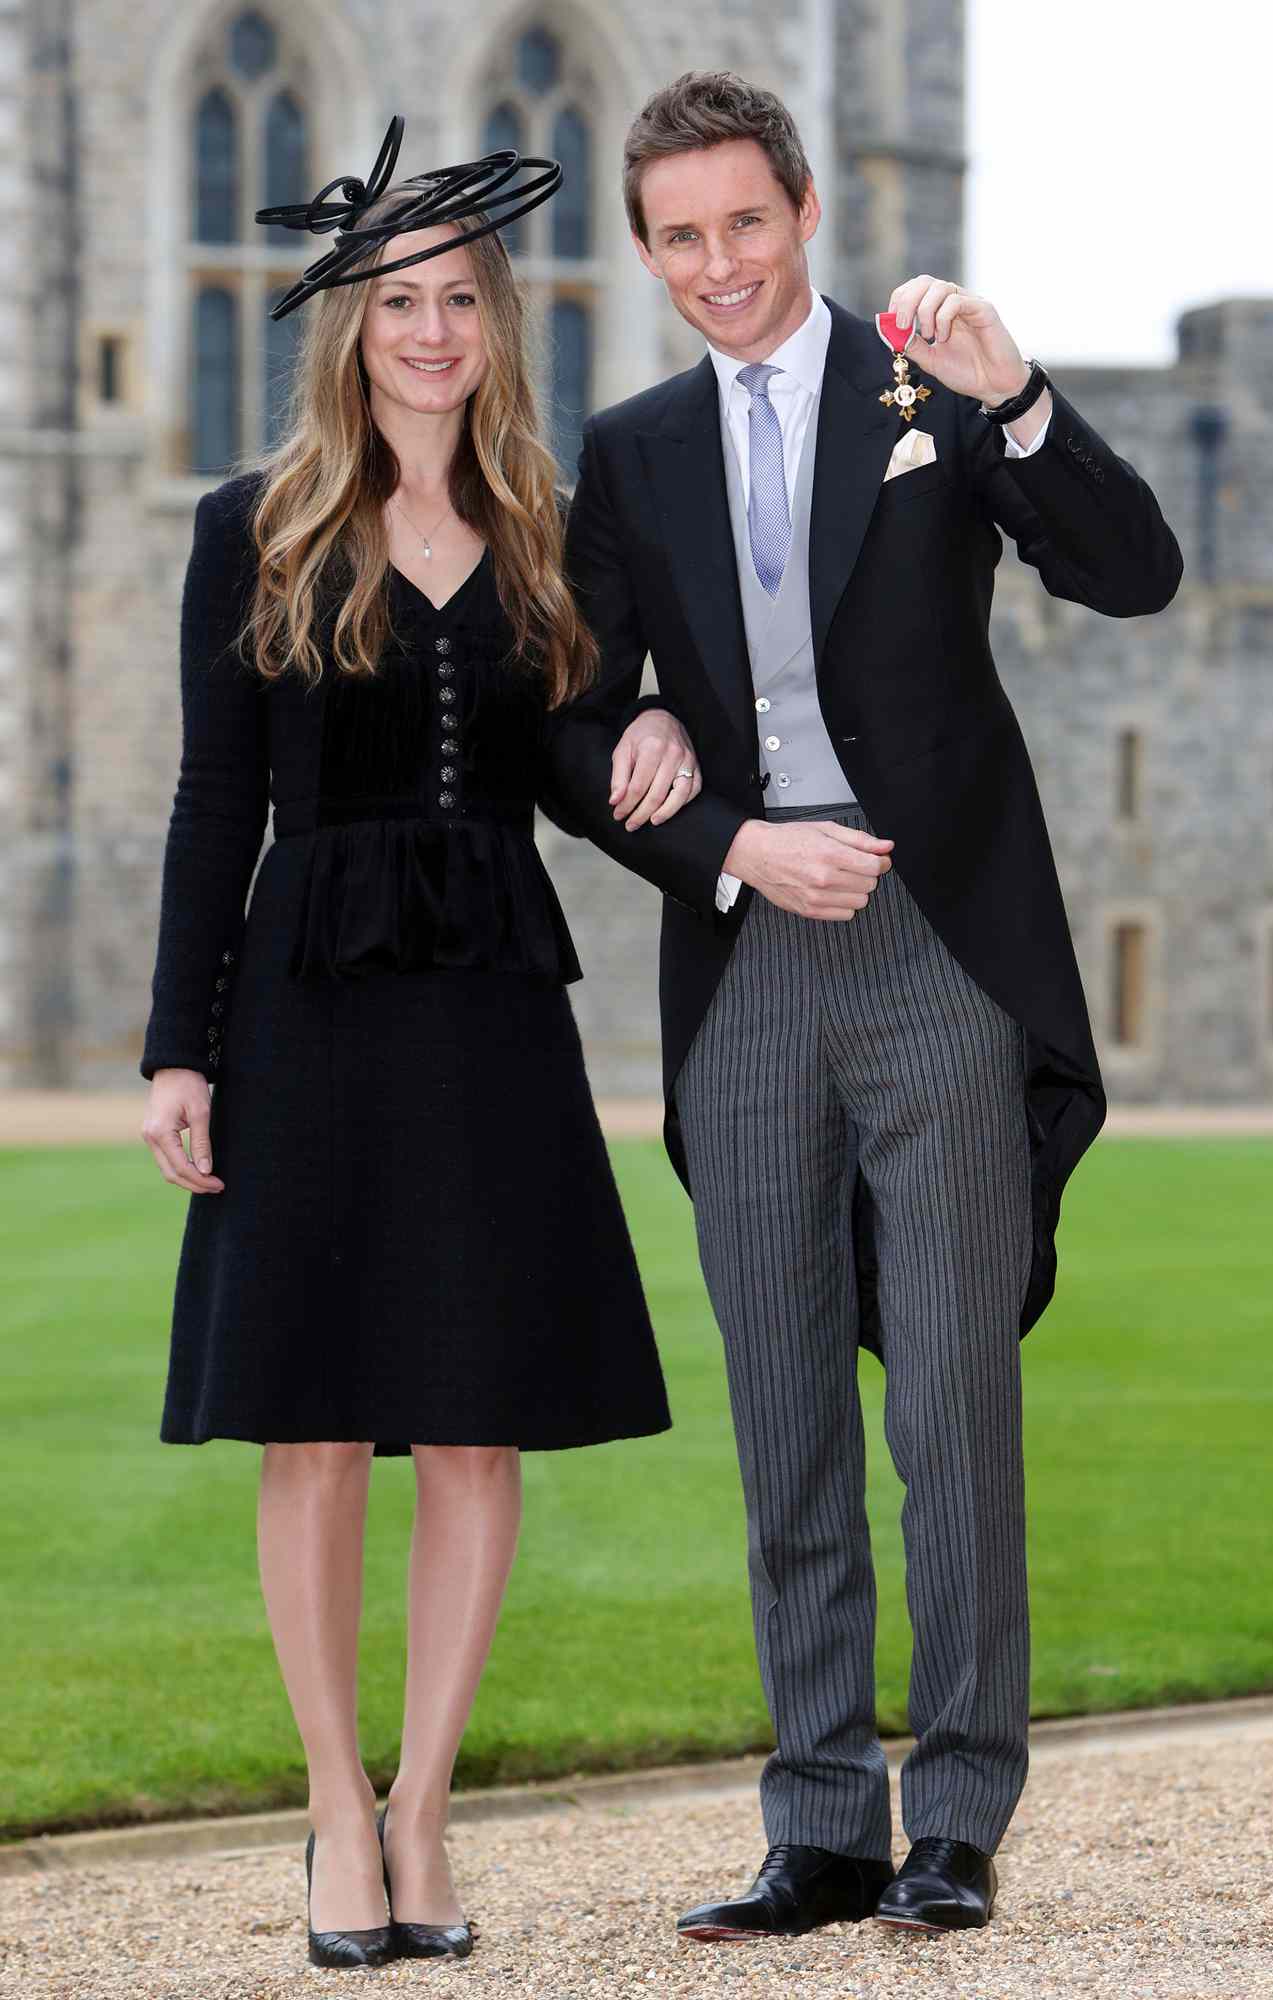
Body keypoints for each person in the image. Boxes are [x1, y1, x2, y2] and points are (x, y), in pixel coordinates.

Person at [543, 72, 1183, 1940]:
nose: (718, 264)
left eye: (747, 222)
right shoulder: (634, 446)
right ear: (650, 251)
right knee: (784, 1405)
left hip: (939, 954)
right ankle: (819, 1820)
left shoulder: (930, 388)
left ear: (805, 210)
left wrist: (1020, 395)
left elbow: (1131, 573)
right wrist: (725, 833)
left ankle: (960, 1816)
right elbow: (569, 729)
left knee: (953, 1406)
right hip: (748, 963)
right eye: (679, 236)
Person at [139, 123, 698, 1971]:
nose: (432, 330)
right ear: (349, 326)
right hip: (302, 999)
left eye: (461, 299)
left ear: (497, 323)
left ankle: (425, 1811)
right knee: (308, 1425)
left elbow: (576, 754)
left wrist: (662, 740)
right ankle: (327, 1814)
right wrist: (177, 1050)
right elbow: (216, 805)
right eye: (399, 301)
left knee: (471, 1424)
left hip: (487, 1008)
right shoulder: (257, 523)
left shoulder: (550, 526)